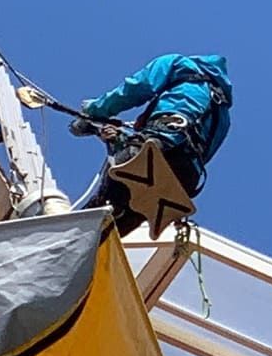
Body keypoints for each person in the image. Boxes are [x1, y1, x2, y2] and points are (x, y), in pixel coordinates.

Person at [71, 54, 233, 235]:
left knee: (102, 205)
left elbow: (136, 87)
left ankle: (69, 240)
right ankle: (87, 246)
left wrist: (93, 110)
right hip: (184, 179)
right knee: (114, 228)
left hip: (159, 147)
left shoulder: (180, 64)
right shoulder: (223, 115)